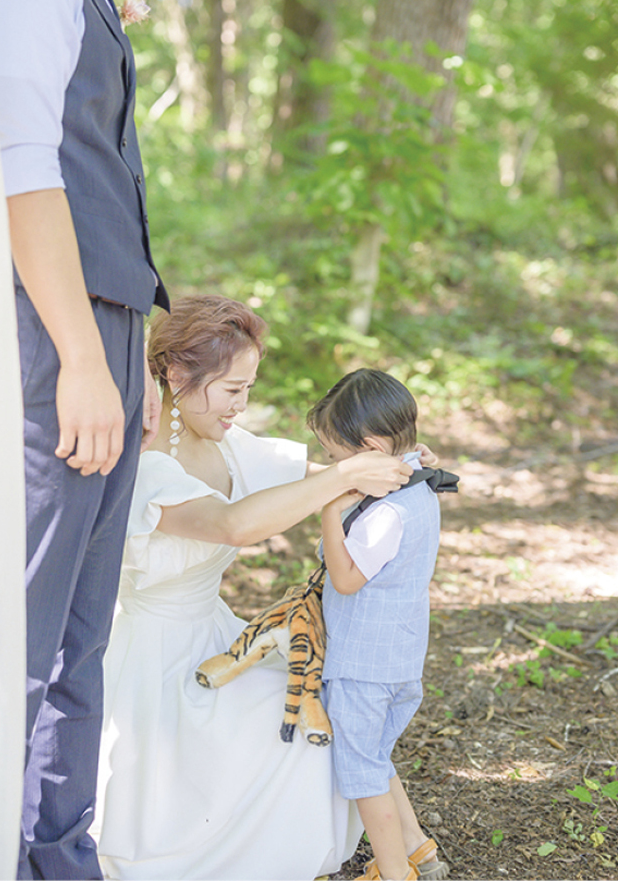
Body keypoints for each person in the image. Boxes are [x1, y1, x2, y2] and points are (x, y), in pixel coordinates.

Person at [0, 0, 194, 876]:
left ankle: (60, 859)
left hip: (104, 335)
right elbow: (22, 173)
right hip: (52, 342)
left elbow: (97, 181)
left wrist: (129, 357)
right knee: (25, 638)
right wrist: (77, 357)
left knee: (80, 641)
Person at [92, 295, 437, 880]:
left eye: (248, 388)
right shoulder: (145, 461)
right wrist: (347, 475)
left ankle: (413, 848)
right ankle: (400, 853)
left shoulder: (226, 440)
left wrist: (391, 464)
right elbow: (234, 525)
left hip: (217, 630)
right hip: (158, 659)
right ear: (176, 376)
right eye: (231, 390)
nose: (242, 406)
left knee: (327, 700)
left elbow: (312, 472)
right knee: (297, 724)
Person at [307, 369, 451, 881]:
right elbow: (415, 456)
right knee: (371, 754)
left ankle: (394, 872)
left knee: (362, 772)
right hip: (397, 655)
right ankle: (418, 852)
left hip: (363, 664)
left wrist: (329, 506)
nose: (331, 467)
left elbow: (345, 579)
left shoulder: (386, 513)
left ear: (369, 447)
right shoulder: (413, 478)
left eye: (333, 456)